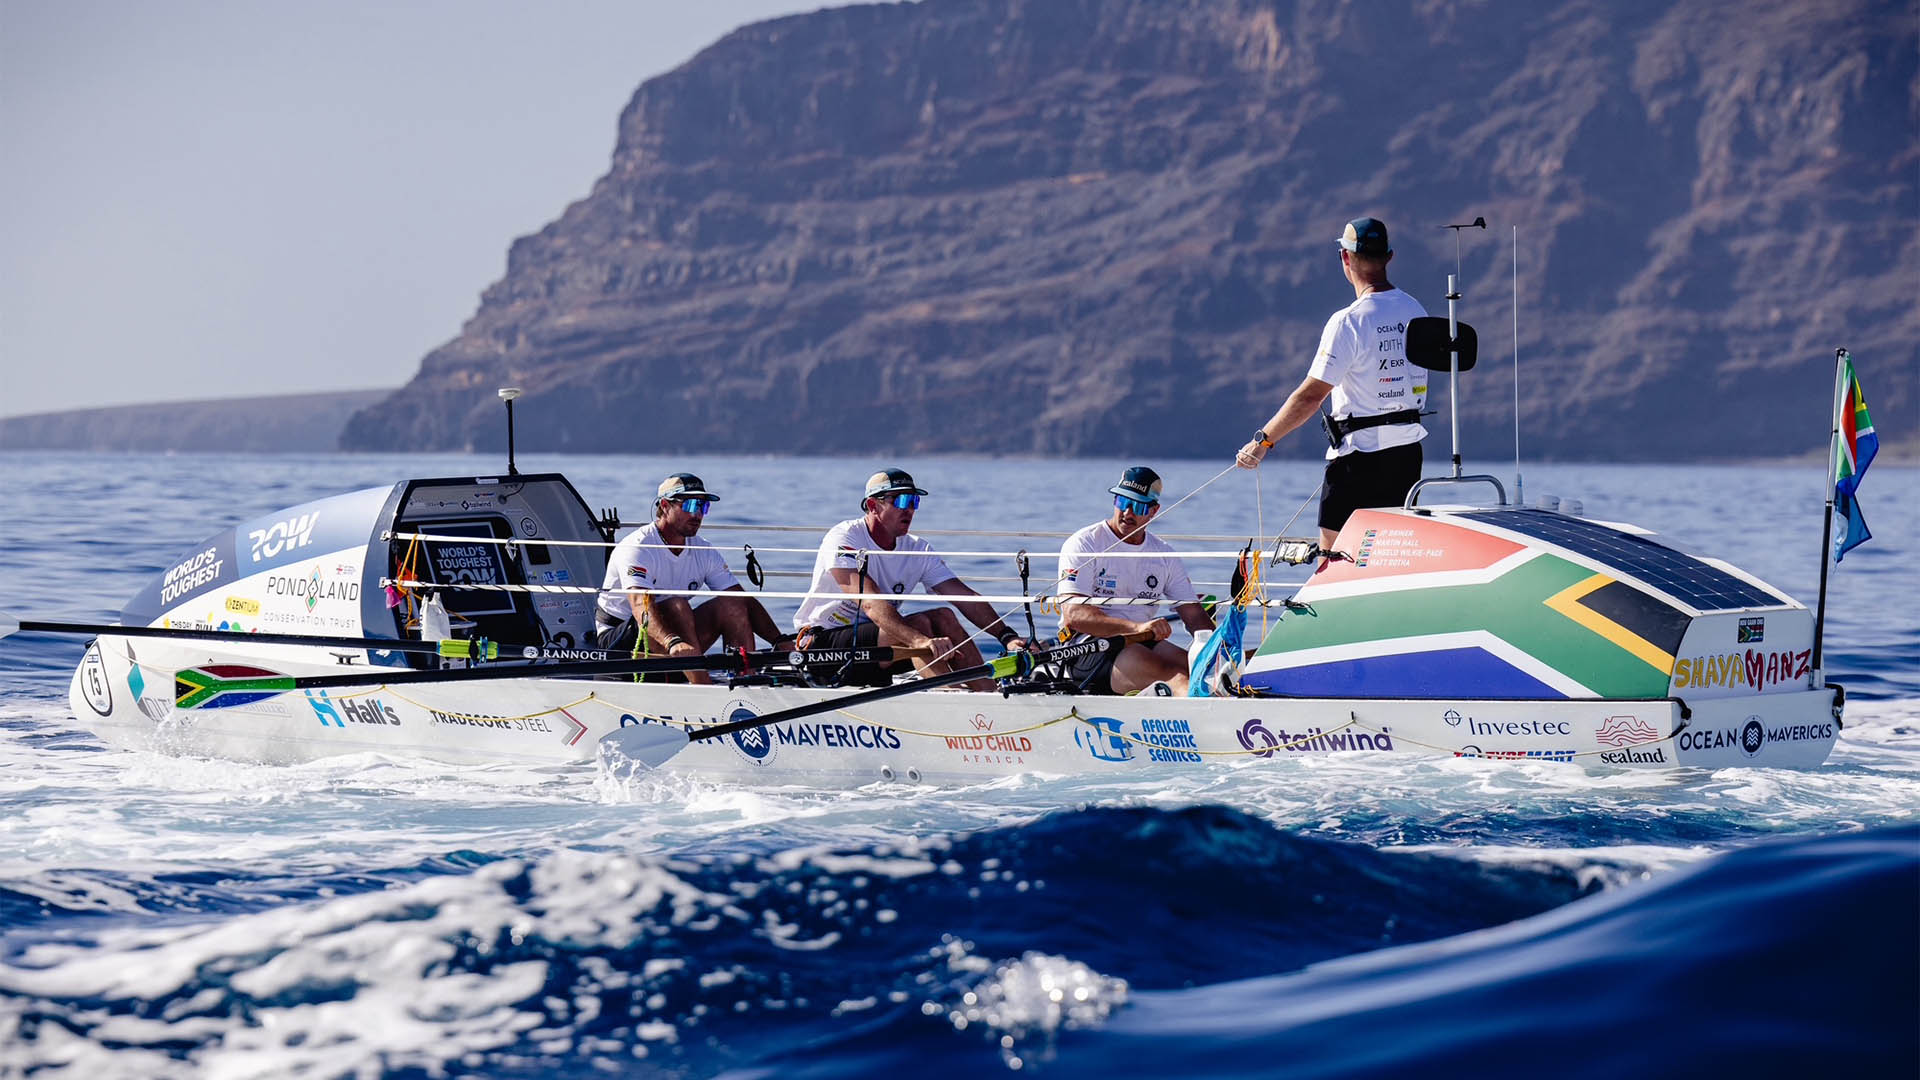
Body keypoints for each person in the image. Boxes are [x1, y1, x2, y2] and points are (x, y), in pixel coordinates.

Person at [1235, 216, 1430, 554]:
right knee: (1384, 557)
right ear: (1389, 257)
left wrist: (1262, 442)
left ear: (1345, 258)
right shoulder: (1416, 310)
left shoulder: (1349, 322)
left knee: (1334, 558)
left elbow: (1310, 397)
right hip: (1407, 456)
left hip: (1359, 459)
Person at [792, 468, 1028, 691]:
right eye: (902, 501)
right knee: (919, 626)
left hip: (878, 644)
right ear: (874, 505)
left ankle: (987, 696)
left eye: (914, 502)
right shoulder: (844, 537)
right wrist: (920, 641)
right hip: (823, 646)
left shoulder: (917, 548)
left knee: (944, 617)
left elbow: (964, 597)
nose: (910, 510)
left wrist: (1006, 636)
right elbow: (870, 603)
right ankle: (951, 698)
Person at [595, 472, 793, 683]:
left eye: (703, 507)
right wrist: (671, 641)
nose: (697, 514)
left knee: (731, 606)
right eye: (690, 505)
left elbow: (741, 600)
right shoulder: (638, 547)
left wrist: (779, 640)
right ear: (664, 506)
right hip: (619, 640)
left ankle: (745, 680)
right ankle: (703, 686)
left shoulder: (704, 550)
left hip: (676, 639)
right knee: (677, 606)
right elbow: (639, 606)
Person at [1053, 466, 1213, 694]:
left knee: (1203, 671)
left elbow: (1194, 616)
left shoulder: (1164, 554)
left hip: (1143, 638)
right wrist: (1136, 627)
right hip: (1089, 646)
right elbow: (1075, 615)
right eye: (1122, 501)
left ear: (1153, 510)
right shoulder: (1084, 543)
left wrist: (1223, 651)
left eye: (1137, 506)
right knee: (1177, 679)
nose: (1128, 512)